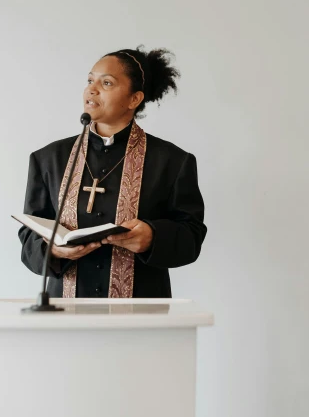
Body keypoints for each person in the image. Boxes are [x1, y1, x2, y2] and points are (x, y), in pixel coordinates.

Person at [18, 47, 207, 298]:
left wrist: (152, 237)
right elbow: (29, 232)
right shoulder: (48, 159)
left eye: (106, 82)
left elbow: (191, 237)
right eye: (89, 80)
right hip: (65, 312)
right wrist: (51, 249)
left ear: (134, 99)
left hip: (143, 310)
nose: (91, 89)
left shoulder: (173, 161)